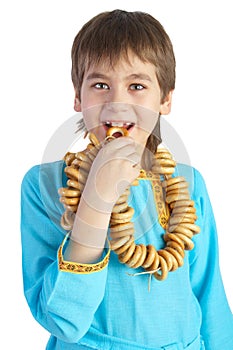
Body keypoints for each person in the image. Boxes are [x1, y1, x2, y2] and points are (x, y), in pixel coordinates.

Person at [21, 9, 233, 350]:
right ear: (78, 97)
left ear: (164, 100)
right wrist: (95, 201)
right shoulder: (44, 185)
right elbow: (63, 319)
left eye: (137, 86)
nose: (117, 102)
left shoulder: (189, 183)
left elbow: (210, 296)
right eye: (101, 85)